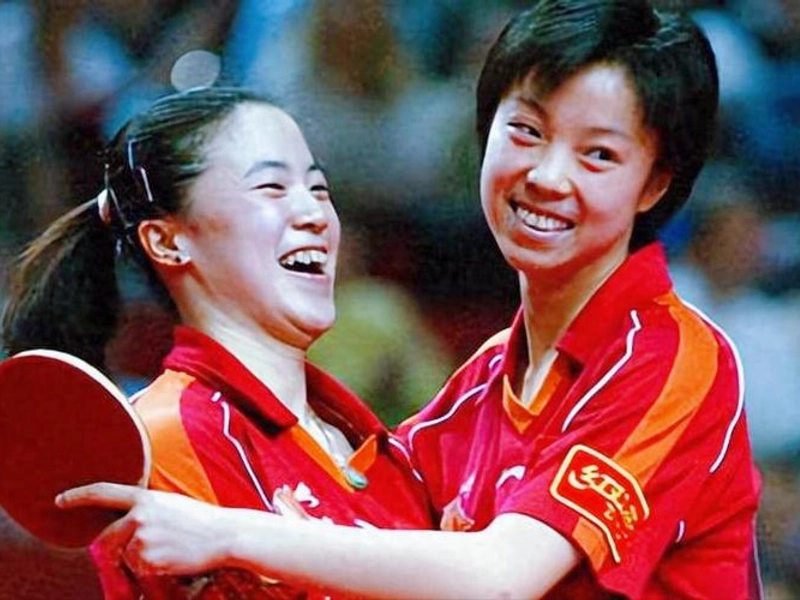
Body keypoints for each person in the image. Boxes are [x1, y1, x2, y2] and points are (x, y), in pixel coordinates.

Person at [57, 1, 762, 597]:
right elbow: (360, 526)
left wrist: (224, 532)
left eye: (598, 155)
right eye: (527, 131)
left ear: (655, 184)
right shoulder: (481, 385)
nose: (548, 176)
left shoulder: (671, 357)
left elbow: (502, 578)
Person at [1, 86, 433, 598]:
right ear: (167, 240)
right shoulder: (171, 440)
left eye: (319, 189)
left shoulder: (366, 441)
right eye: (272, 188)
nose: (315, 214)